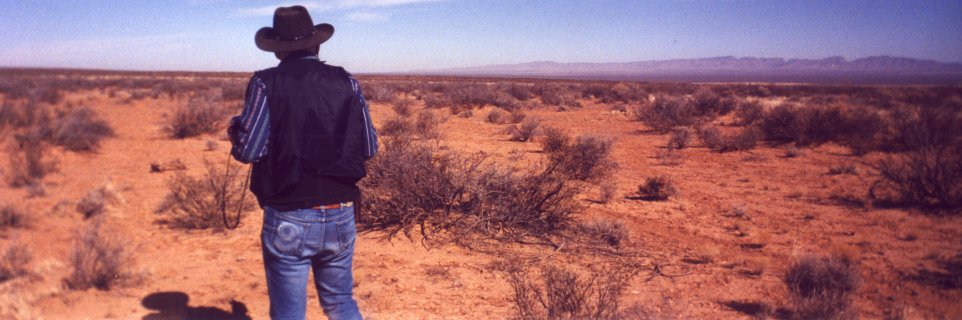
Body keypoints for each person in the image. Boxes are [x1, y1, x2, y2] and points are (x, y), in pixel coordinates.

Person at [227, 5, 377, 320]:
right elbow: (369, 145)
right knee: (341, 302)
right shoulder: (346, 82)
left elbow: (249, 150)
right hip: (341, 212)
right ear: (316, 43)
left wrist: (236, 130)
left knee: (289, 314)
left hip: (289, 214)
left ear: (278, 51)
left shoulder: (264, 83)